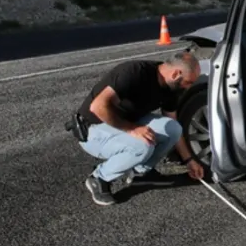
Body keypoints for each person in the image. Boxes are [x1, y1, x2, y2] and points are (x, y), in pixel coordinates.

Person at [76, 51, 204, 206]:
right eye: (189, 82)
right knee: (143, 144)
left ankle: (141, 173)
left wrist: (189, 160)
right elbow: (98, 107)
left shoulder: (171, 88)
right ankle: (99, 178)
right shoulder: (134, 73)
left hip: (125, 123)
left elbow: (172, 122)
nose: (188, 87)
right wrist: (132, 129)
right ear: (176, 74)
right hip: (93, 130)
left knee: (173, 129)